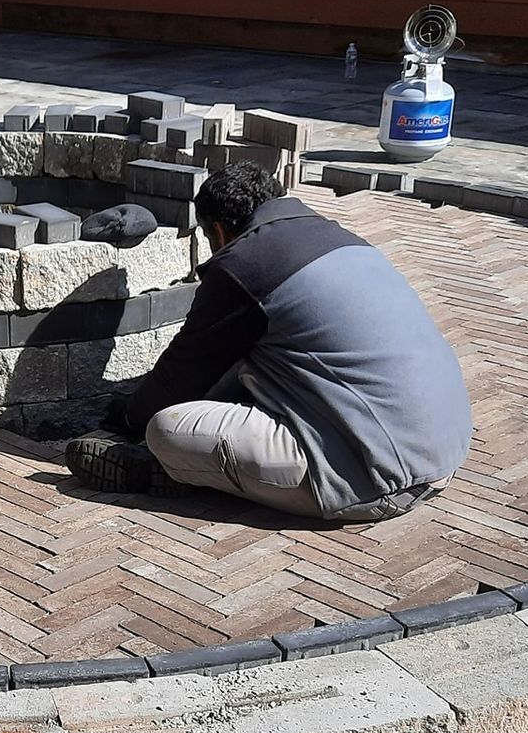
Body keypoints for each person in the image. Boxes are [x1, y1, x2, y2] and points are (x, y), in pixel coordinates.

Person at [65, 161, 472, 521]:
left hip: (375, 479)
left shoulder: (247, 264)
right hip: (443, 448)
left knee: (167, 429)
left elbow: (182, 374)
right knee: (247, 363)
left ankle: (166, 472)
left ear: (219, 230)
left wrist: (123, 420)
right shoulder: (338, 235)